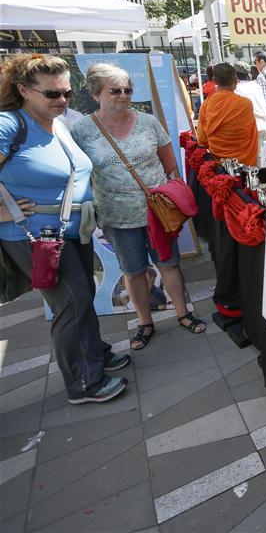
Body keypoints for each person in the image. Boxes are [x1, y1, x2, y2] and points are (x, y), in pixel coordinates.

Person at [0, 54, 129, 404]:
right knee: (71, 303)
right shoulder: (9, 124)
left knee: (81, 295)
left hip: (72, 230)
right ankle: (83, 383)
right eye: (52, 94)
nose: (61, 100)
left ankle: (95, 355)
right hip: (34, 236)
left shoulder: (56, 122)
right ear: (24, 90)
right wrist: (3, 213)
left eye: (67, 93)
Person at [70, 63, 205, 350]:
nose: (123, 95)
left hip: (158, 213)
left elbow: (170, 166)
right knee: (133, 271)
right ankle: (145, 322)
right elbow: (77, 172)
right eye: (114, 90)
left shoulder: (148, 122)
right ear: (96, 94)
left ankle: (183, 312)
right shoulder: (81, 130)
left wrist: (173, 197)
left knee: (169, 264)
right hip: (116, 216)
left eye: (128, 90)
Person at [197, 63, 259, 166]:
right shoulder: (246, 104)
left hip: (219, 165)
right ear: (235, 80)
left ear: (214, 80)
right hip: (244, 164)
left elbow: (202, 140)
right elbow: (252, 134)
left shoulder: (206, 105)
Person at [233, 60, 266, 132]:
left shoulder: (237, 89)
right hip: (263, 125)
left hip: (250, 128)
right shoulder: (257, 86)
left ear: (235, 74)